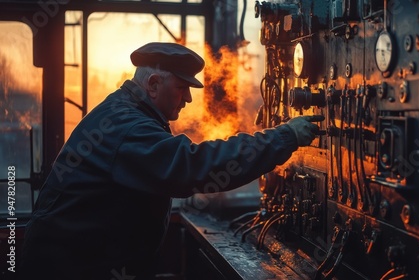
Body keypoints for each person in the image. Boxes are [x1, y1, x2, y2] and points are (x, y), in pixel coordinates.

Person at [18, 42, 323, 280]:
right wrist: (284, 137)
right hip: (71, 269)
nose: (188, 99)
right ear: (152, 84)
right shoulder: (129, 127)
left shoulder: (124, 113)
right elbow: (194, 167)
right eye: (182, 88)